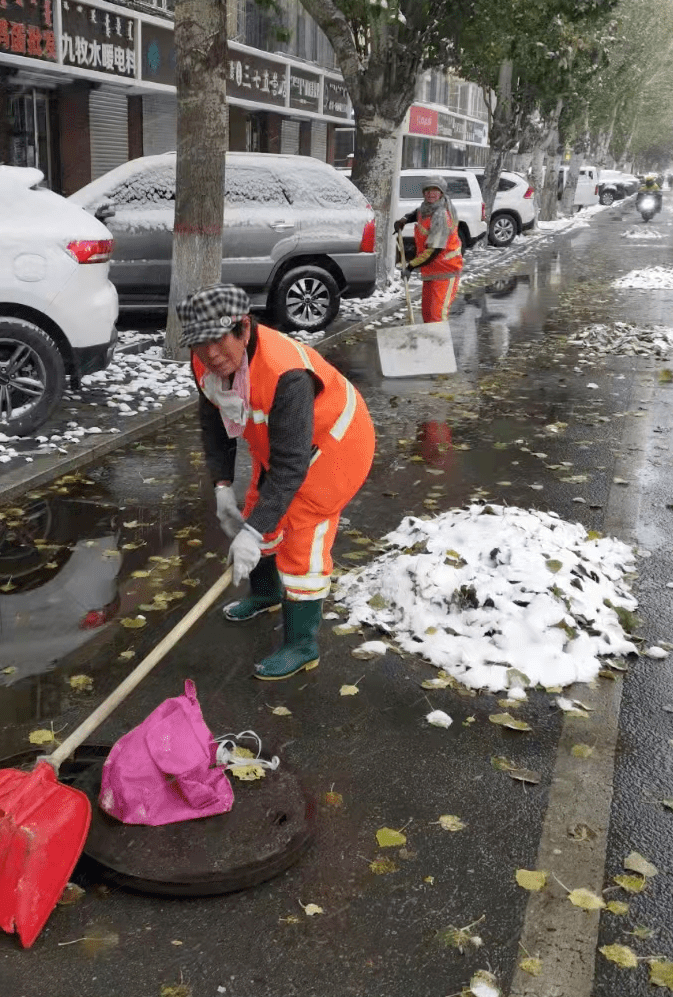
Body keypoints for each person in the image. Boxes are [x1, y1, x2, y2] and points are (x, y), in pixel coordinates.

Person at [177, 284, 376, 681]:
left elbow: (291, 469)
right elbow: (214, 425)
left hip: (335, 448)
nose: (211, 354)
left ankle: (303, 645)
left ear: (244, 329)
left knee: (301, 542)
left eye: (218, 340)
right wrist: (221, 487)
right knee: (258, 514)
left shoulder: (288, 373)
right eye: (200, 344)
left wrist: (253, 531)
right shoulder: (205, 365)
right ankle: (266, 594)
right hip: (283, 449)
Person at [393, 175, 463, 322]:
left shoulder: (441, 215)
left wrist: (410, 266)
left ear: (441, 193)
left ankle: (439, 345)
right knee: (427, 314)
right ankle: (429, 344)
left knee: (437, 316)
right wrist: (404, 219)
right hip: (431, 271)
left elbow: (433, 251)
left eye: (435, 190)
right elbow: (417, 213)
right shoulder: (427, 208)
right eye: (427, 190)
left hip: (446, 271)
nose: (430, 194)